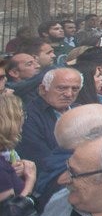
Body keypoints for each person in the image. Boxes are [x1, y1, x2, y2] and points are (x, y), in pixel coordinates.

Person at [17, 65, 82, 199]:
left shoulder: (80, 112)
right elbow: (42, 161)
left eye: (75, 89)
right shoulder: (29, 116)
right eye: (61, 88)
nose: (69, 94)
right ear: (43, 89)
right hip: (50, 188)